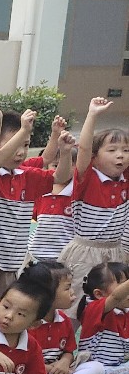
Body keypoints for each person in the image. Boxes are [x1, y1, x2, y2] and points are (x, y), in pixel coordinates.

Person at [0, 110, 73, 330]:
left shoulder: (26, 175)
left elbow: (59, 175)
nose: (20, 152)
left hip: (12, 256)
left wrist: (64, 150)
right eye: (15, 144)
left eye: (26, 145)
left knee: (1, 305)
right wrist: (23, 130)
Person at [58, 97, 129, 298]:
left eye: (126, 150)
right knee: (75, 300)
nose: (120, 155)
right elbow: (84, 149)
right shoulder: (87, 178)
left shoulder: (124, 179)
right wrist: (92, 114)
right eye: (112, 150)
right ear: (94, 159)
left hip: (115, 251)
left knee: (110, 302)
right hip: (85, 252)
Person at [22, 261, 106, 374]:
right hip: (38, 373)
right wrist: (47, 369)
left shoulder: (63, 319)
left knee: (97, 368)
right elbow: (21, 359)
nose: (72, 292)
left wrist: (64, 363)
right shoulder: (28, 323)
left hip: (60, 371)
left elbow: (68, 351)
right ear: (47, 294)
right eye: (67, 288)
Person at [77, 261, 129, 374]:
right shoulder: (93, 309)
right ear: (99, 294)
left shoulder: (125, 313)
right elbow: (116, 296)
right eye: (124, 285)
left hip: (117, 372)